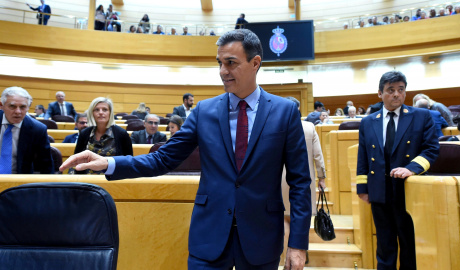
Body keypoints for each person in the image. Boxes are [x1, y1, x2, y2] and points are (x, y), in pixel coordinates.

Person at [60, 29, 312, 270]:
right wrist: (109, 163)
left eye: (231, 63)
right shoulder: (204, 111)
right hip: (209, 237)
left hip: (261, 237)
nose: (223, 71)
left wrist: (298, 244)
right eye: (219, 63)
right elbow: (163, 159)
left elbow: (300, 182)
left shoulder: (284, 112)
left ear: (255, 63)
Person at [356, 71, 439, 270]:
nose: (396, 95)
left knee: (409, 244)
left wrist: (411, 168)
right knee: (385, 244)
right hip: (379, 191)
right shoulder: (369, 121)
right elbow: (364, 155)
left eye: (401, 90)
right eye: (391, 90)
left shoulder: (421, 116)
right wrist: (362, 187)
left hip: (408, 190)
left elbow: (431, 149)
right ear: (380, 93)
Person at [282, 96, 326, 264]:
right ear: (298, 109)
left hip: (282, 178)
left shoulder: (279, 127)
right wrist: (322, 177)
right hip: (305, 179)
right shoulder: (309, 127)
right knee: (301, 215)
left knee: (285, 217)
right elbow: (318, 156)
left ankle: (288, 255)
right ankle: (300, 250)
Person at [0, 86, 54, 174]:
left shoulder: (38, 129)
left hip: (20, 180)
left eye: (22, 107)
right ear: (1, 105)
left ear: (28, 107)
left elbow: (46, 164)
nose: (18, 111)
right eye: (12, 106)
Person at [73, 97, 133, 174]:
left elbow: (128, 162)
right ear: (92, 113)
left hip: (113, 180)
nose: (101, 112)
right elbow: (77, 159)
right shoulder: (84, 134)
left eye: (105, 109)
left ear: (110, 113)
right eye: (97, 110)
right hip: (87, 180)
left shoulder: (121, 134)